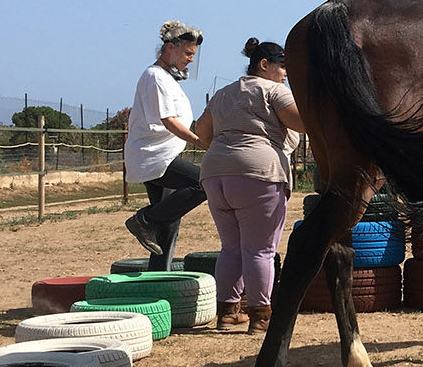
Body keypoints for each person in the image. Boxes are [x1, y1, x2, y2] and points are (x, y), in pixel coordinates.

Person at [193, 38, 305, 332]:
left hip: (215, 174)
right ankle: (260, 317)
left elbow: (201, 132)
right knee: (261, 250)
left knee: (231, 248)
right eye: (282, 67)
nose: (285, 74)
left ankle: (228, 313)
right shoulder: (274, 90)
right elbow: (302, 123)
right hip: (259, 173)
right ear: (264, 65)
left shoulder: (223, 93)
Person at [123, 21, 208, 269]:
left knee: (168, 221)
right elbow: (168, 121)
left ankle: (158, 276)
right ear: (170, 48)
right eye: (188, 53)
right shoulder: (155, 77)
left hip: (160, 154)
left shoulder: (166, 78)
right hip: (155, 156)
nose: (191, 60)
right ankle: (143, 220)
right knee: (202, 183)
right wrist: (199, 141)